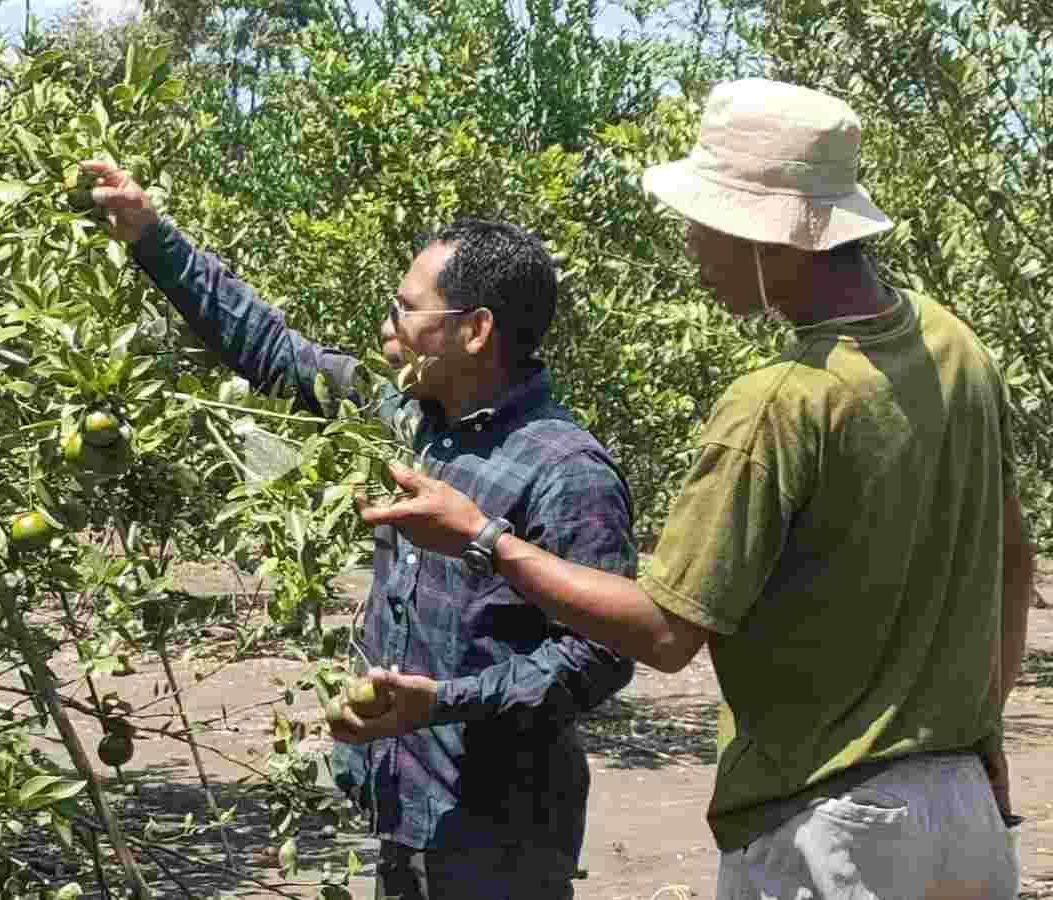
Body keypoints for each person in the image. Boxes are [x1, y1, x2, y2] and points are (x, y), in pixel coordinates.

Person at [353, 78, 1033, 898]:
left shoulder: (778, 403)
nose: (690, 245)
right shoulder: (952, 343)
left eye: (703, 222)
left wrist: (482, 537)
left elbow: (664, 634)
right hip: (962, 811)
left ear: (766, 235)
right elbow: (1013, 556)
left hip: (831, 829)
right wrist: (982, 724)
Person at [80, 159, 638, 898]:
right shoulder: (408, 423)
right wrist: (153, 236)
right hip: (407, 810)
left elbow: (600, 656)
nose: (387, 327)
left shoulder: (566, 471)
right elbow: (272, 350)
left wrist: (444, 702)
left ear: (475, 331)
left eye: (405, 310)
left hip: (501, 837)